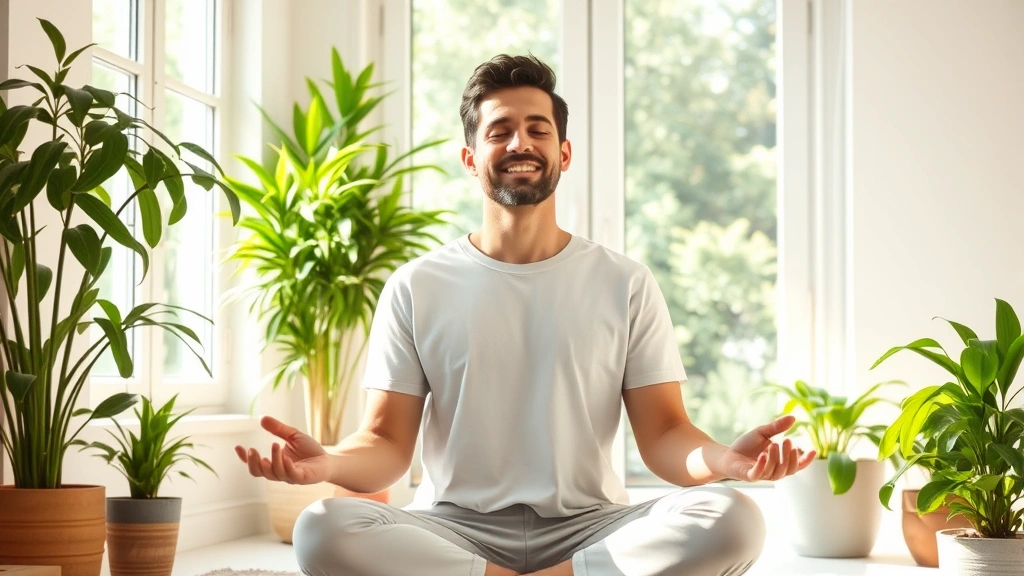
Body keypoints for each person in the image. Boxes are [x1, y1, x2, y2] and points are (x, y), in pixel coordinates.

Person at [236, 54, 815, 576]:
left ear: (563, 153)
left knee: (733, 517)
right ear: (471, 157)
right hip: (456, 527)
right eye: (500, 131)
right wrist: (327, 465)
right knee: (322, 529)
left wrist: (723, 460)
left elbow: (665, 434)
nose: (520, 143)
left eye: (538, 129)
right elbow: (386, 444)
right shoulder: (417, 285)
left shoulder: (625, 282)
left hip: (589, 525)